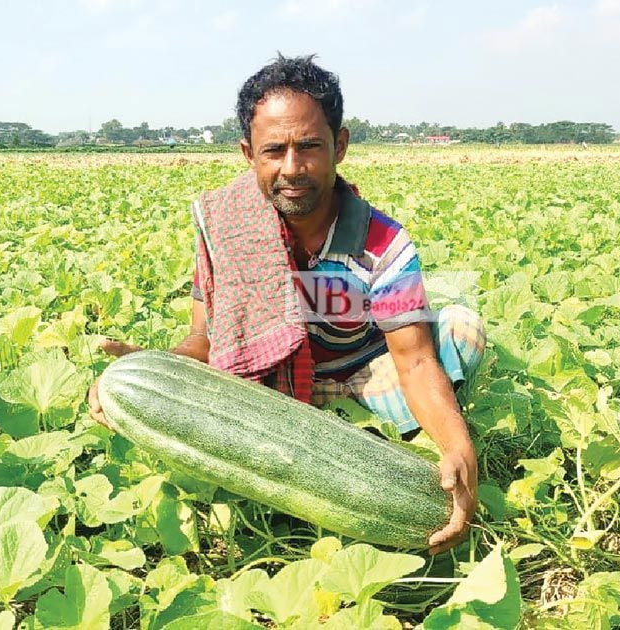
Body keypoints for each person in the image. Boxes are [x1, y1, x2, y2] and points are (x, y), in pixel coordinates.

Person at [86, 54, 484, 556]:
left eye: (309, 147)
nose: (292, 168)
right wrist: (153, 367)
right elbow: (206, 338)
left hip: (367, 375)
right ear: (248, 153)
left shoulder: (382, 243)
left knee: (461, 330)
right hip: (270, 388)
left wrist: (456, 444)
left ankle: (388, 438)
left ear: (339, 146)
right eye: (274, 150)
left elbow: (416, 359)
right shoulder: (226, 230)